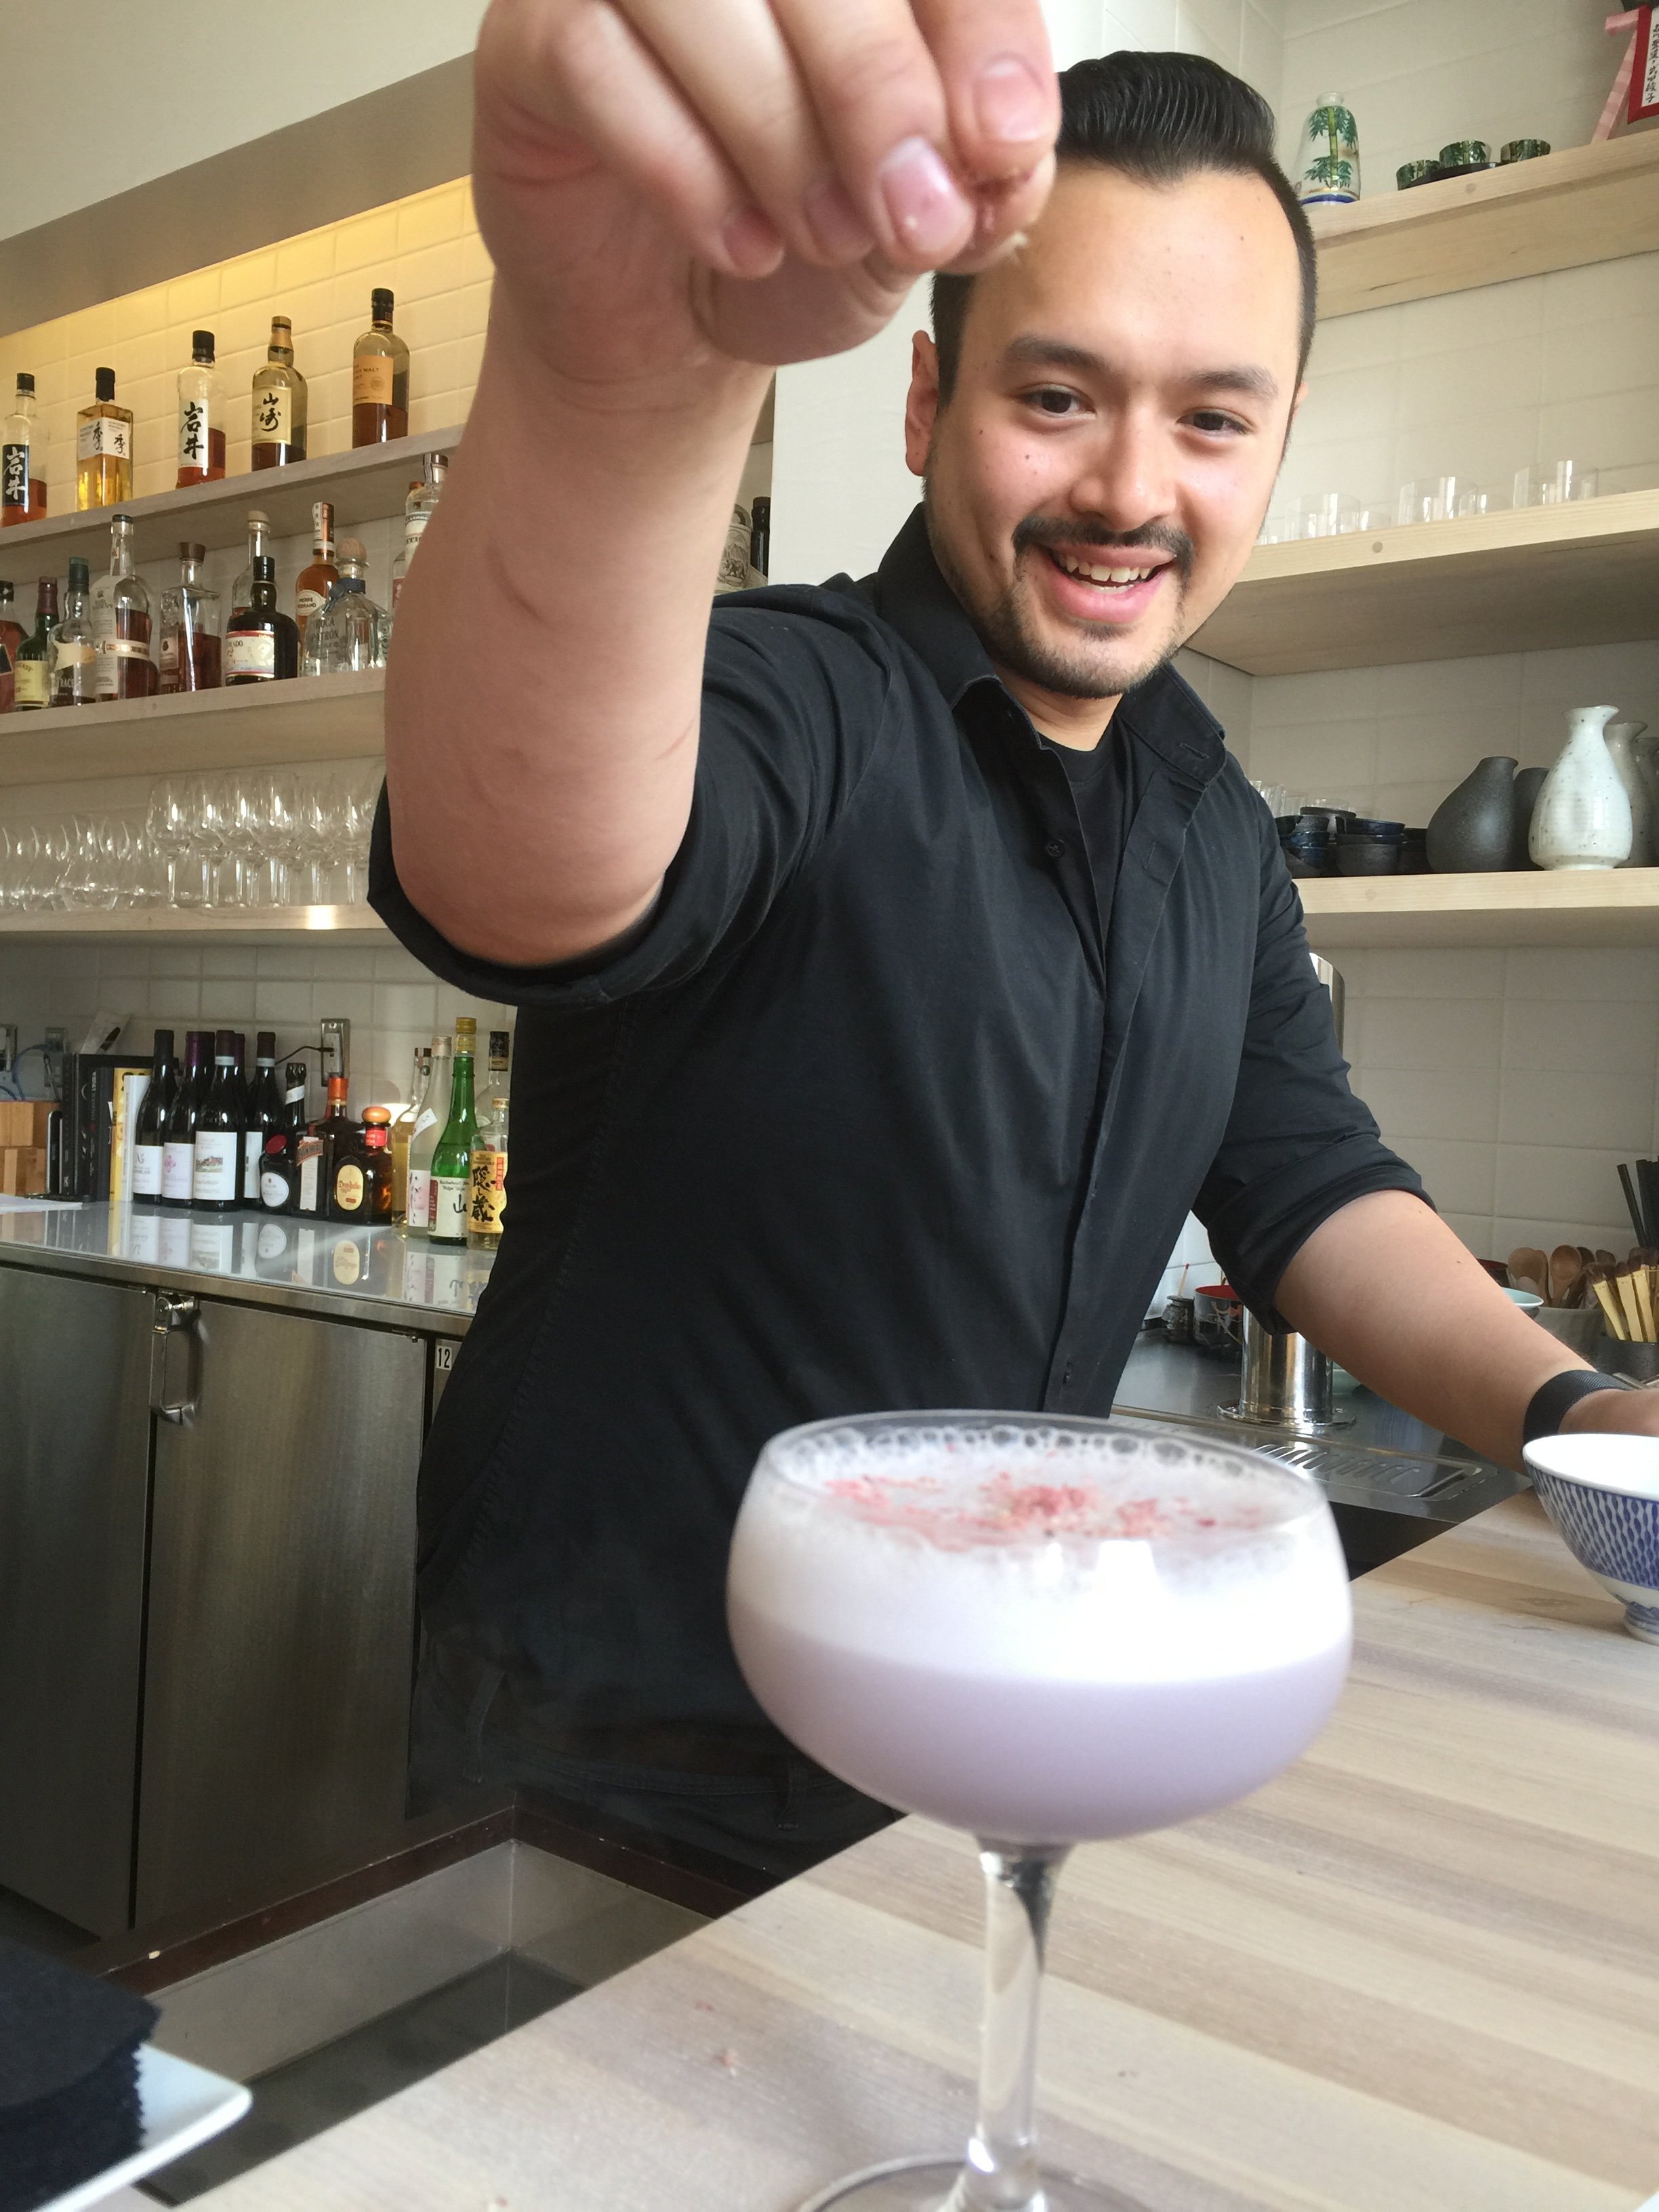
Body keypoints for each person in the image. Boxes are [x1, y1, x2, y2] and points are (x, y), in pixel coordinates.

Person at [375, 7, 1656, 1877]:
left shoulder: (1214, 826)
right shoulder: (784, 694)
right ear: (925, 405)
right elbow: (515, 865)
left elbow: (1309, 1184)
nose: (1133, 491)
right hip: (606, 1756)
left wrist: (1584, 1411)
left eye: (1211, 418)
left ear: (1273, 442)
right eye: (1056, 396)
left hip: (971, 1752)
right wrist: (608, 367)